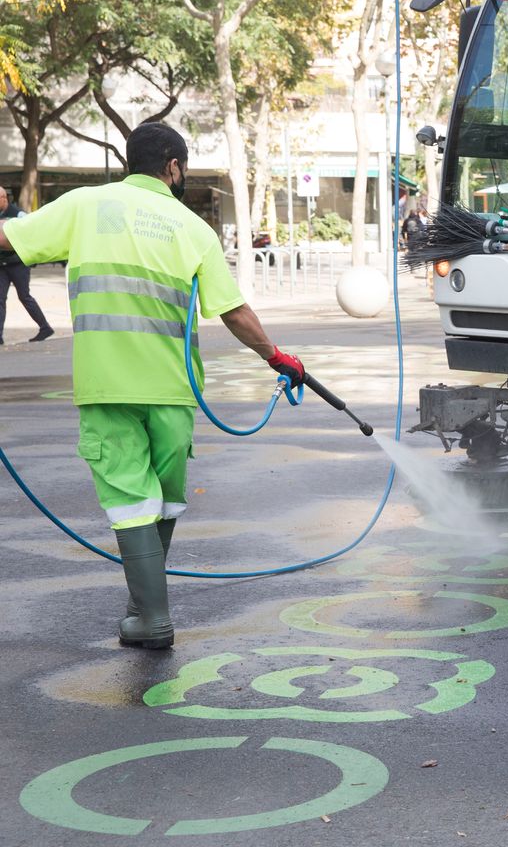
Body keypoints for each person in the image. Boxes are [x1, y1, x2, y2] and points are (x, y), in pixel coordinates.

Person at [0, 122, 304, 649]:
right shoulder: (193, 228)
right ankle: (144, 605)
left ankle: (153, 616)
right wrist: (277, 358)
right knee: (161, 501)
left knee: (130, 500)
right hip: (173, 391)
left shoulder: (86, 205)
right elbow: (234, 313)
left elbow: (8, 238)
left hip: (108, 386)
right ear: (173, 166)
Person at [0, 186, 54, 344]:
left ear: (4, 198)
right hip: (2, 265)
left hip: (18, 264)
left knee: (24, 296)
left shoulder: (19, 214)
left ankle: (45, 328)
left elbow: (33, 231)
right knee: (0, 299)